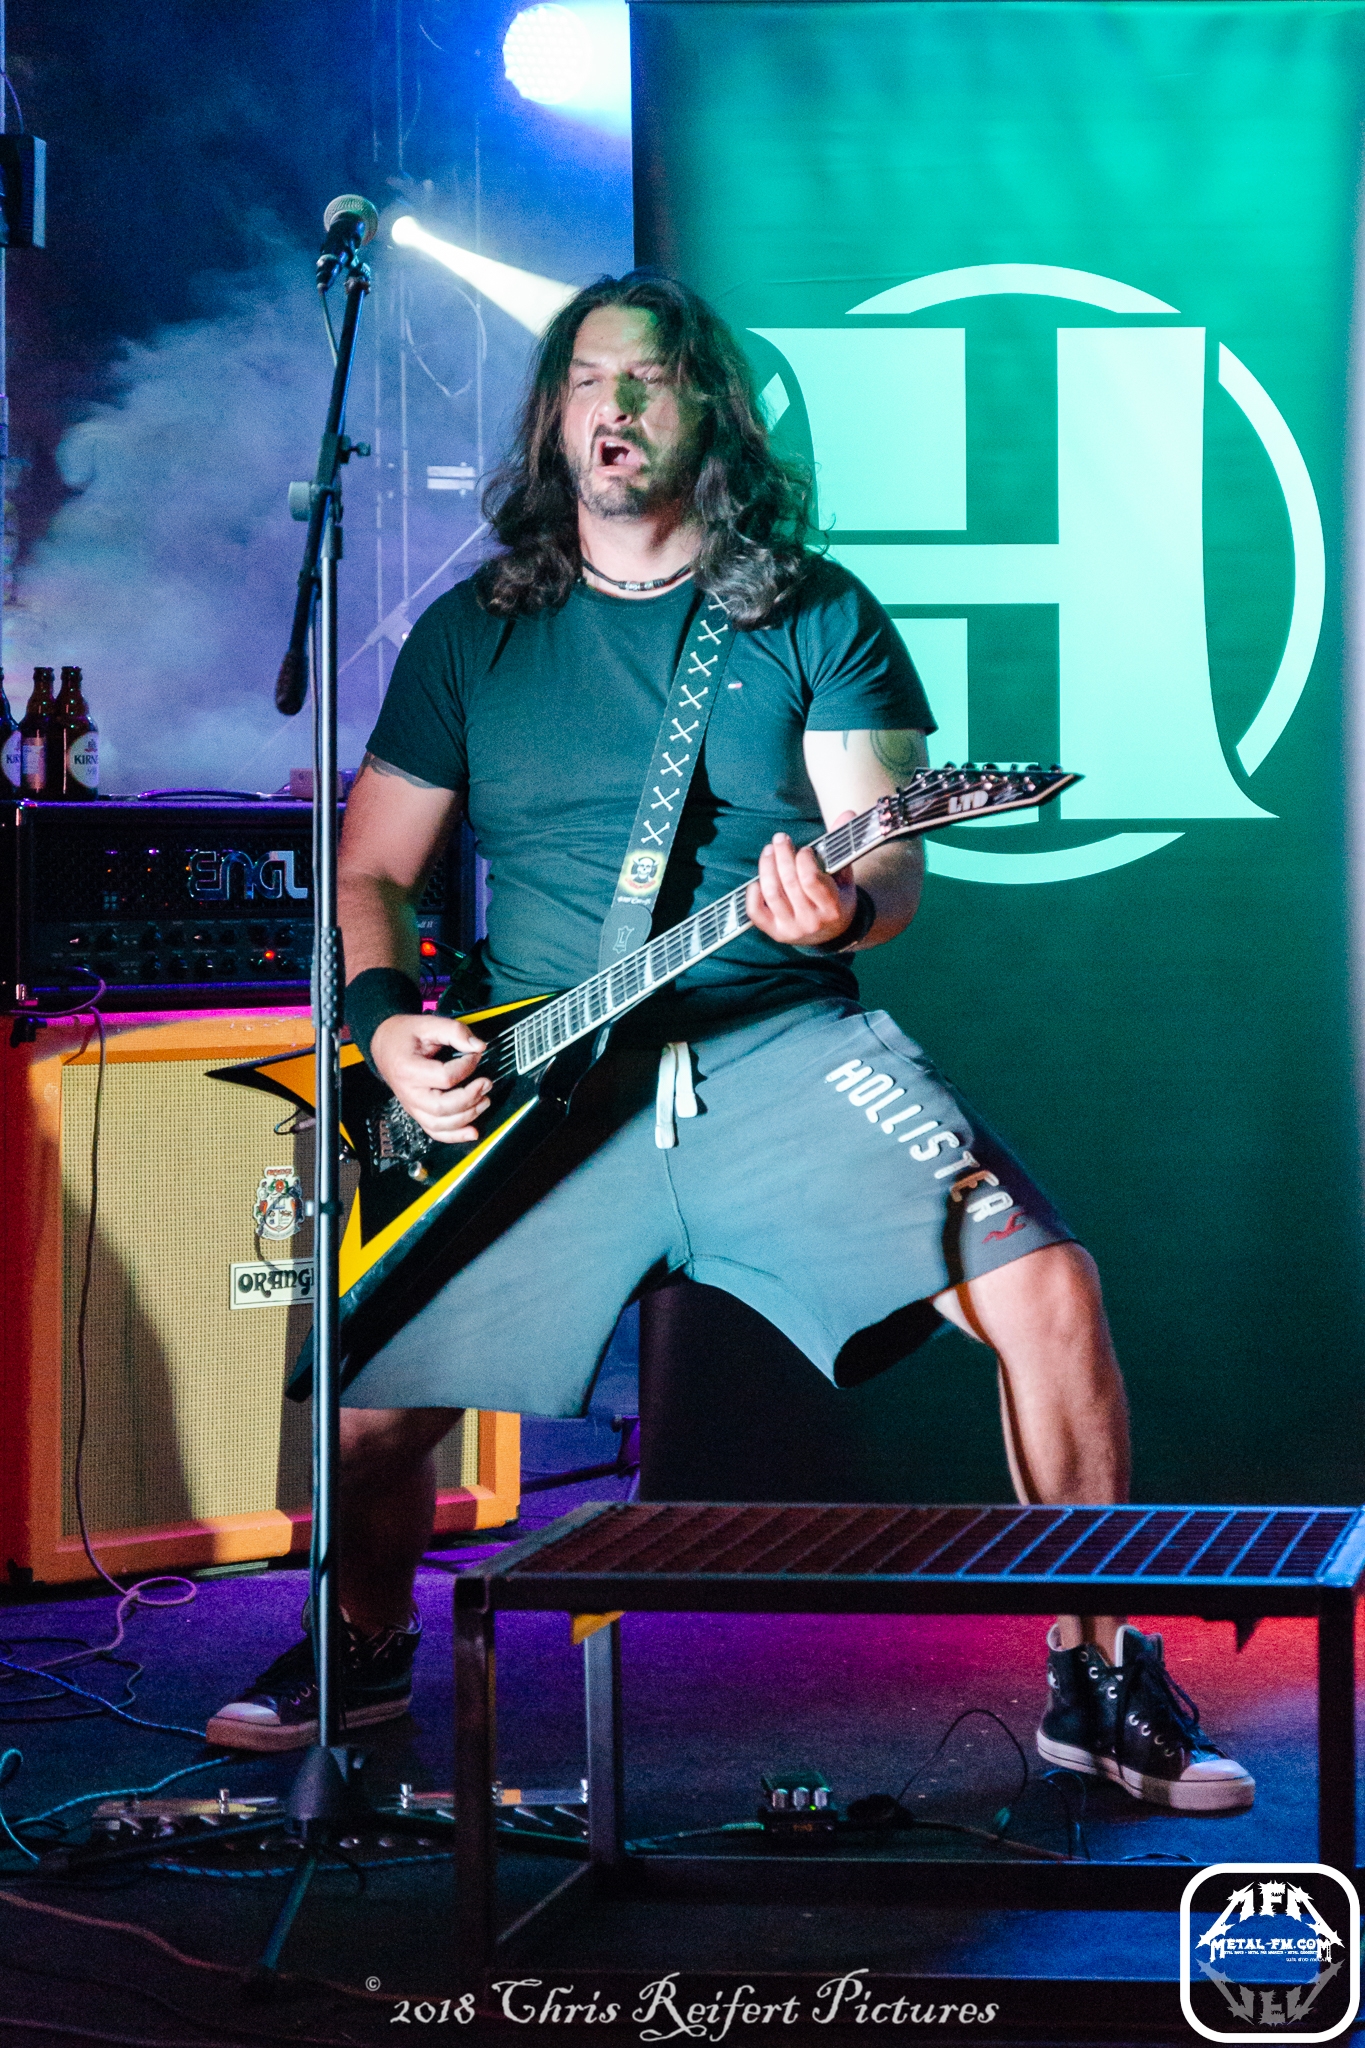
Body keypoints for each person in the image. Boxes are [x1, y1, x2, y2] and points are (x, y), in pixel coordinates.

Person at [208, 272, 1252, 1815]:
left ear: (711, 414)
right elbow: (370, 870)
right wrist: (382, 1026)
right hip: (536, 1086)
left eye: (646, 380)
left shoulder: (810, 612)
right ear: (551, 416)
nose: (613, 408)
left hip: (774, 1051)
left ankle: (1095, 1678)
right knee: (357, 1425)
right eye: (585, 380)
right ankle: (359, 1642)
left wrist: (841, 908)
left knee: (1047, 1291)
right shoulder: (471, 636)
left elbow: (887, 863)